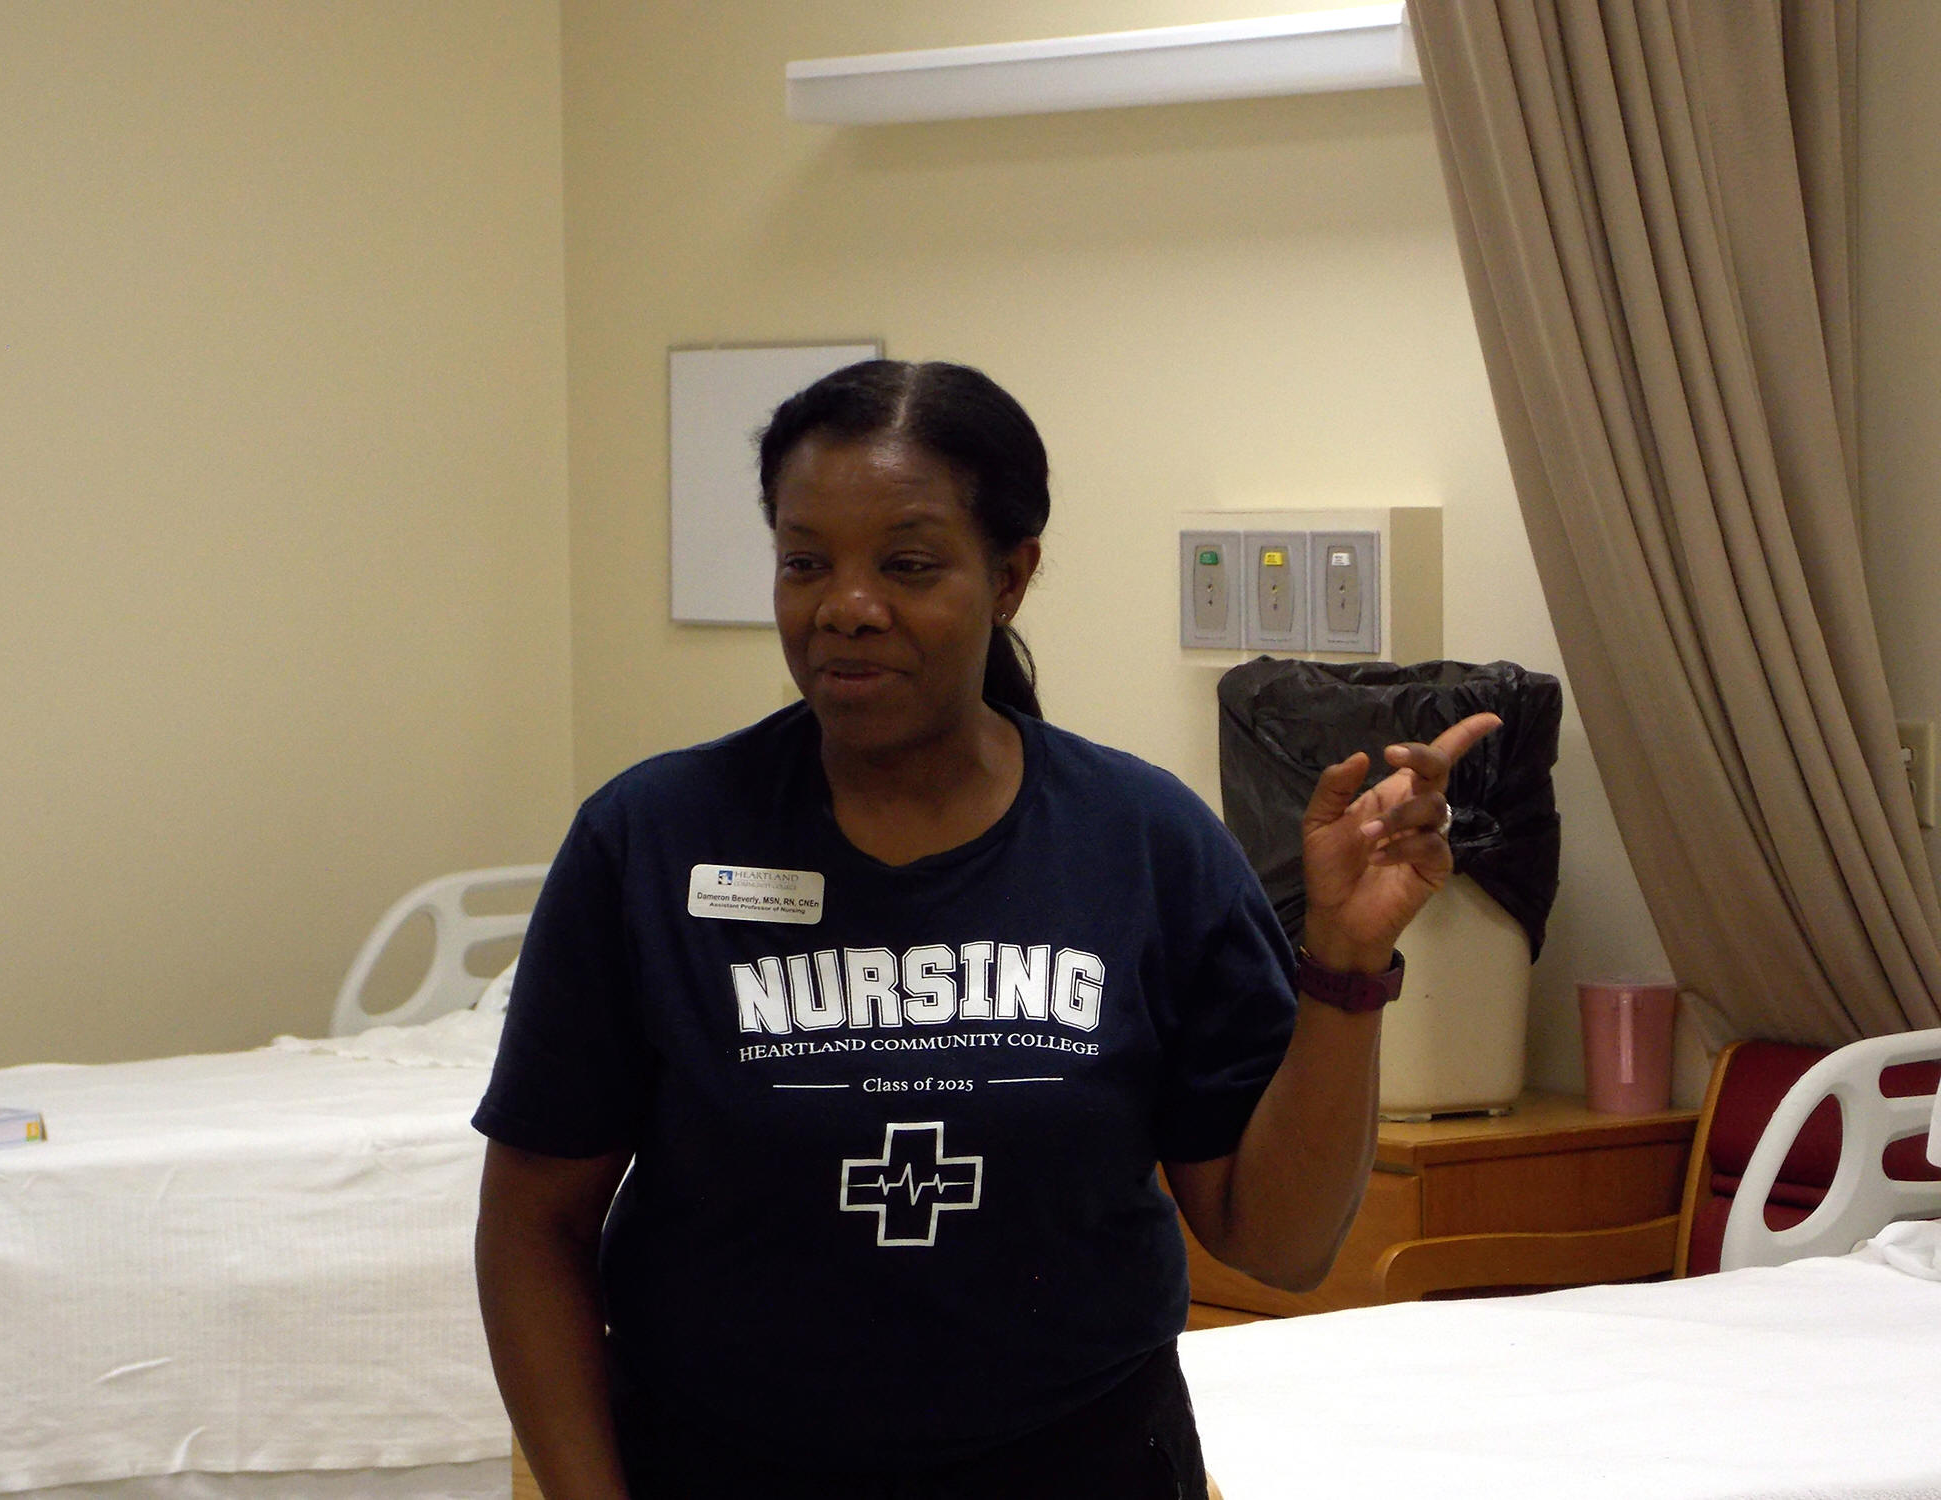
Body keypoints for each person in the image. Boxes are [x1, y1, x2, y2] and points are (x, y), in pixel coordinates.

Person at [473, 359, 1499, 1500]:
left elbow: (1280, 1244)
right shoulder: (651, 841)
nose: (845, 606)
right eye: (804, 562)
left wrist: (1346, 963)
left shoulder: (1142, 844)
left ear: (1010, 577)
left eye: (907, 565)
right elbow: (533, 1229)